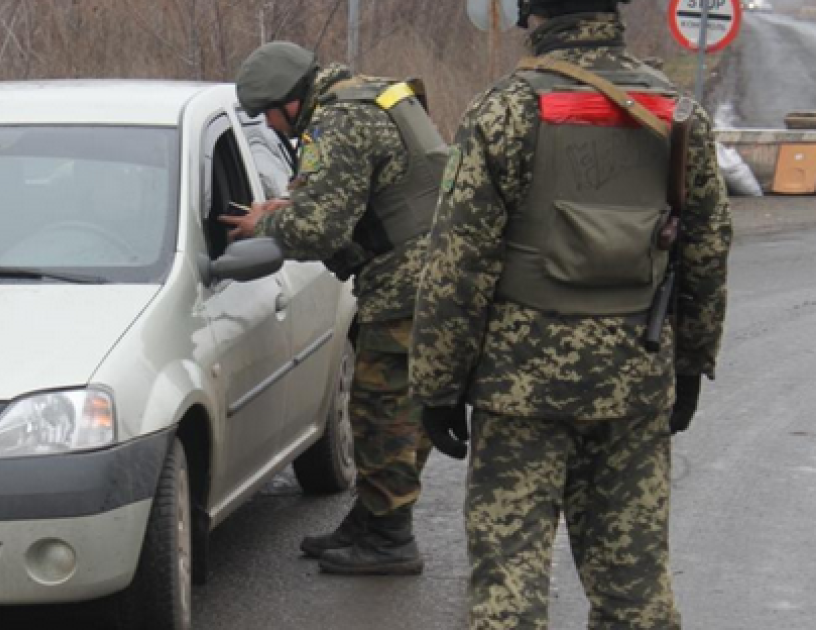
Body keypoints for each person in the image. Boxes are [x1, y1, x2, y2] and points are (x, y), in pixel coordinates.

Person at [409, 1, 731, 627]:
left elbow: (456, 264)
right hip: (635, 382)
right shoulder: (677, 113)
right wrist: (689, 363)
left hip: (520, 392)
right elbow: (708, 249)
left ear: (532, 12)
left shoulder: (504, 111)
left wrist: (437, 387)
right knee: (634, 589)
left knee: (510, 583)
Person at [222, 41, 448, 575]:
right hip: (433, 275)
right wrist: (292, 205)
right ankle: (372, 522)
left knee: (383, 413)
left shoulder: (339, 121)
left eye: (271, 117)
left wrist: (265, 224)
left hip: (406, 286)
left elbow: (320, 229)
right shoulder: (368, 96)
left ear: (290, 101)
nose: (273, 129)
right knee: (395, 409)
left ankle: (390, 540)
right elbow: (361, 191)